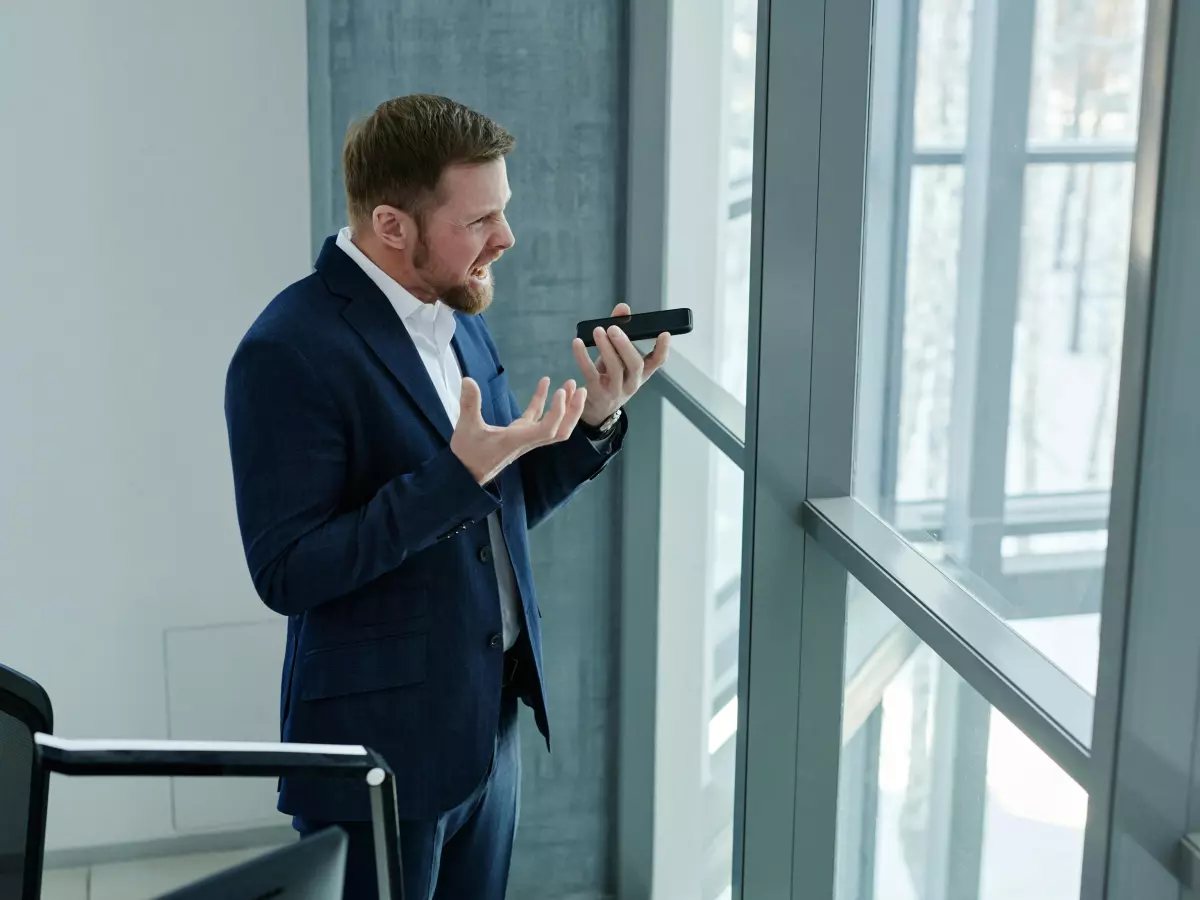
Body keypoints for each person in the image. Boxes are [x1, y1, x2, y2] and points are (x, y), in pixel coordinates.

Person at [223, 94, 669, 899]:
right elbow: (287, 570)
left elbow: (484, 511)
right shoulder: (285, 350)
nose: (505, 238)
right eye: (480, 220)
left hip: (487, 731)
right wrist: (453, 478)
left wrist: (594, 421)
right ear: (392, 225)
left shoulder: (456, 313)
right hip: (380, 754)